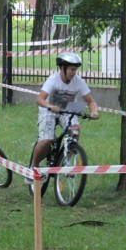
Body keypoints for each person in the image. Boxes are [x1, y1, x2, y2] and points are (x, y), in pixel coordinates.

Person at [28, 52, 99, 183]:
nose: (74, 72)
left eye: (75, 69)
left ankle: (66, 161)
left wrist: (94, 112)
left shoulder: (78, 81)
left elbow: (90, 101)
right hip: (48, 110)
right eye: (71, 69)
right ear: (62, 68)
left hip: (66, 111)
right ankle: (33, 168)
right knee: (47, 140)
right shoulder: (53, 80)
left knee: (75, 131)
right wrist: (50, 106)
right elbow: (39, 99)